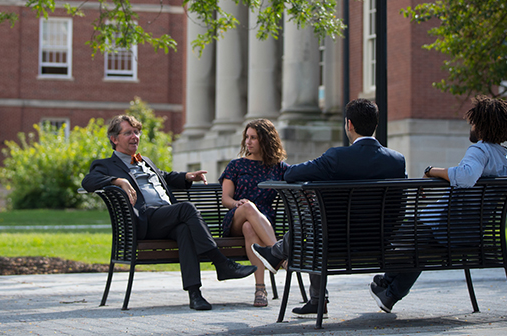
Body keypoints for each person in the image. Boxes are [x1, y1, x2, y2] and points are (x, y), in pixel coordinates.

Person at [81, 115, 257, 311]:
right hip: (145, 220)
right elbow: (88, 182)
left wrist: (188, 176)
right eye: (128, 133)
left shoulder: (144, 161)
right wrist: (118, 181)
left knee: (184, 229)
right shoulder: (105, 165)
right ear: (114, 139)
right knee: (186, 208)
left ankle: (195, 295)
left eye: (137, 132)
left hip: (166, 218)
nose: (135, 137)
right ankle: (221, 263)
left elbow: (163, 177)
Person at [251, 99, 407, 316]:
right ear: (375, 125)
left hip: (335, 246)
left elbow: (291, 174)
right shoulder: (396, 161)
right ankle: (308, 291)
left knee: (315, 221)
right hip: (380, 243)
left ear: (349, 124)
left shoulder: (337, 157)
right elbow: (400, 208)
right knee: (317, 219)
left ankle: (277, 255)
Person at [369, 95, 507, 314]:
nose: (470, 126)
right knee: (418, 241)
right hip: (474, 233)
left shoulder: (480, 151)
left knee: (408, 235)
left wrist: (432, 170)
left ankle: (390, 288)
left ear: (480, 126)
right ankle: (387, 288)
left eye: (473, 121)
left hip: (448, 228)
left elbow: (467, 176)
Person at [219, 119, 290, 307]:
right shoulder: (236, 166)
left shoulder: (278, 167)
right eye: (247, 137)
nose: (248, 142)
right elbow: (225, 198)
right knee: (249, 208)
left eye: (253, 138)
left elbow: (298, 177)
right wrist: (237, 203)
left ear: (265, 141)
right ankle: (279, 254)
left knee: (250, 227)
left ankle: (260, 290)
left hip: (262, 222)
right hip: (236, 216)